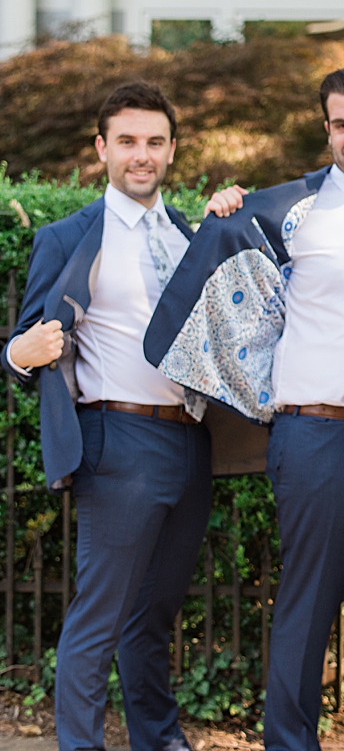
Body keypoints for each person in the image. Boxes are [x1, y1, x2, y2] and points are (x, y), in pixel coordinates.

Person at [144, 65, 344, 751]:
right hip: (322, 437)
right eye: (341, 125)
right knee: (308, 609)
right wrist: (222, 207)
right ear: (327, 131)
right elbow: (221, 274)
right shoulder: (286, 210)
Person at [3, 83, 241, 751]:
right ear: (102, 148)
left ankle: (158, 740)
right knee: (100, 617)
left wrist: (230, 221)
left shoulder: (189, 232)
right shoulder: (70, 235)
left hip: (192, 442)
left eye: (155, 142)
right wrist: (22, 351)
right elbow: (22, 344)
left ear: (171, 150)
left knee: (154, 614)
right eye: (128, 141)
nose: (142, 155)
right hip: (118, 441)